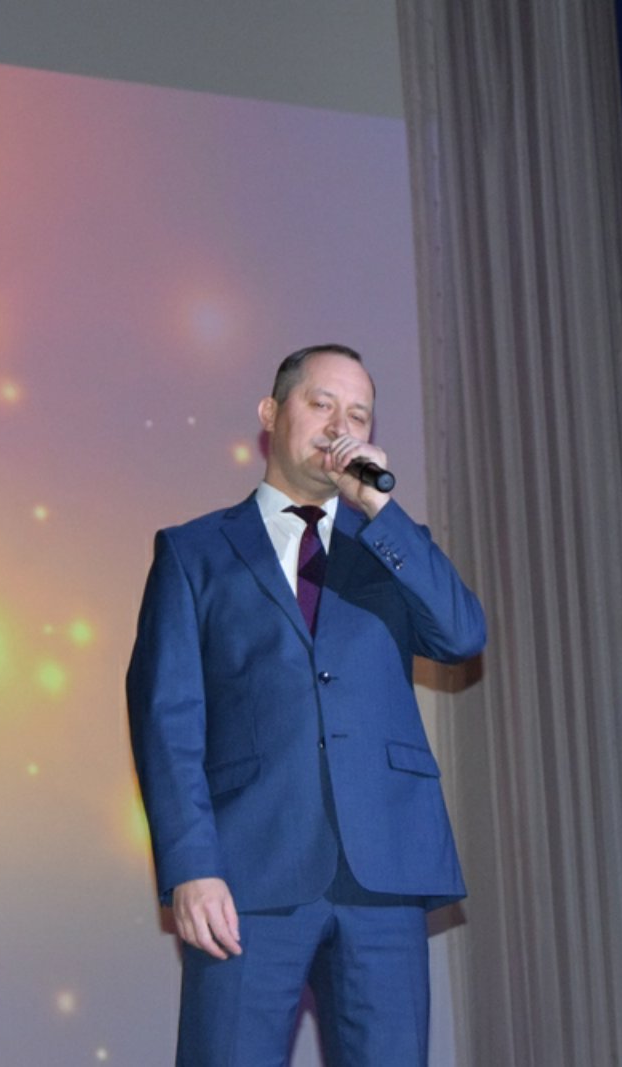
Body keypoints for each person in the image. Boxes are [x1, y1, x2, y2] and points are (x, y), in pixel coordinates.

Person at [127, 343, 487, 1066]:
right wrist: (191, 865)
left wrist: (378, 506)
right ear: (271, 413)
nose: (339, 426)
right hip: (248, 871)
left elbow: (461, 635)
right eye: (321, 404)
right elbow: (167, 721)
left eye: (358, 414)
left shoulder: (389, 543)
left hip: (384, 870)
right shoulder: (195, 552)